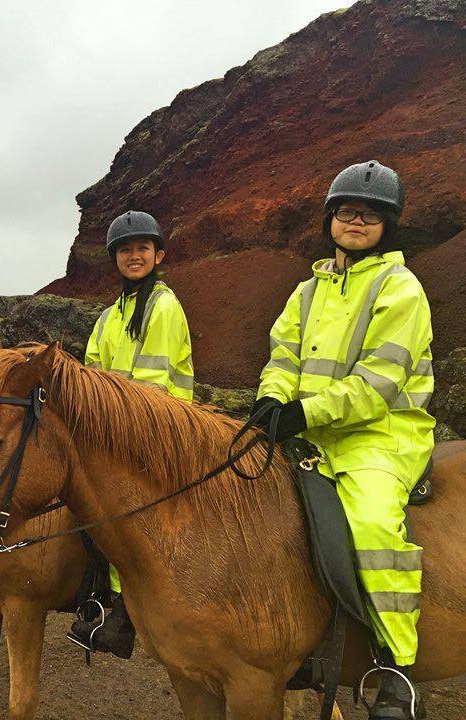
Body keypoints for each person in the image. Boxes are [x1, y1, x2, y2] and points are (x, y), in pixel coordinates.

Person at [253, 161, 434, 720]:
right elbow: (284, 355)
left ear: (389, 225)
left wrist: (303, 413)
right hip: (311, 431)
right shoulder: (307, 290)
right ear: (330, 219)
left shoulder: (400, 288)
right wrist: (271, 400)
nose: (357, 221)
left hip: (379, 436)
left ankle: (395, 671)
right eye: (348, 211)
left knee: (373, 524)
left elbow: (379, 383)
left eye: (371, 214)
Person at [67, 210, 194, 659]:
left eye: (142, 248)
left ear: (158, 255)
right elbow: (91, 380)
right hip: (117, 435)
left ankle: (124, 611)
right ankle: (96, 598)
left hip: (158, 431)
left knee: (124, 510)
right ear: (115, 259)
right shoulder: (106, 320)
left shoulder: (164, 306)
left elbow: (151, 387)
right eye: (125, 249)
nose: (134, 255)